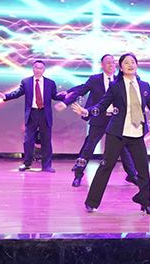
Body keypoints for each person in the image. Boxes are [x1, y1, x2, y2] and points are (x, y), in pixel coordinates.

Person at [71, 53, 150, 215]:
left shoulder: (144, 86)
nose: (130, 65)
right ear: (121, 68)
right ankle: (91, 202)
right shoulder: (115, 86)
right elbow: (102, 105)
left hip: (136, 134)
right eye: (126, 63)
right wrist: (86, 111)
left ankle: (145, 203)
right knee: (106, 167)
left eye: (133, 62)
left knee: (143, 170)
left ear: (136, 65)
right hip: (117, 133)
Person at [55, 54, 138, 187]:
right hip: (98, 118)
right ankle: (78, 175)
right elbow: (81, 90)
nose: (112, 65)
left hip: (115, 119)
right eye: (108, 63)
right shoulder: (95, 79)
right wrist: (65, 103)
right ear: (102, 65)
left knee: (123, 149)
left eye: (113, 63)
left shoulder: (120, 79)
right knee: (89, 147)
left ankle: (132, 175)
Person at [0, 60, 65, 172]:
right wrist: (5, 96)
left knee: (46, 140)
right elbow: (17, 93)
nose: (38, 70)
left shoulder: (50, 83)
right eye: (36, 67)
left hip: (44, 114)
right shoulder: (26, 82)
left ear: (44, 70)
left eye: (40, 68)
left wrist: (65, 96)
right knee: (28, 141)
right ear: (33, 69)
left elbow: (54, 96)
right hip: (32, 113)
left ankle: (46, 165)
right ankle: (27, 164)